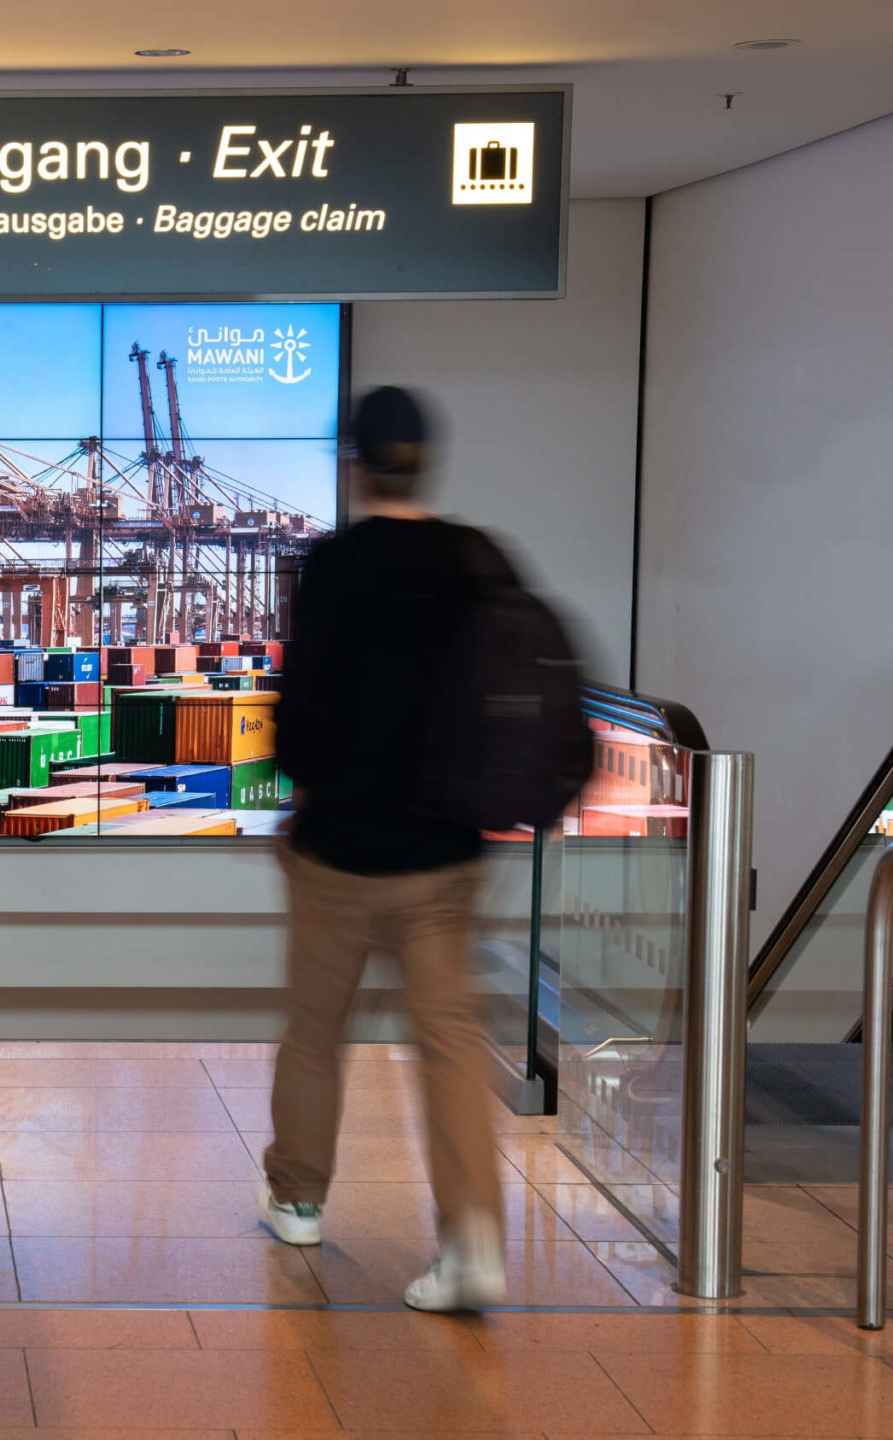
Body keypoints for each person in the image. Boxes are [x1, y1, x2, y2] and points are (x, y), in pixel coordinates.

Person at [257, 385, 508, 1312]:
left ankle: (299, 1199)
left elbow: (302, 720)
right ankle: (472, 1238)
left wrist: (304, 786)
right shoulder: (480, 561)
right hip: (445, 851)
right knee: (448, 1039)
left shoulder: (332, 567)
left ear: (355, 464)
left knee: (317, 1033)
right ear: (427, 460)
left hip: (338, 849)